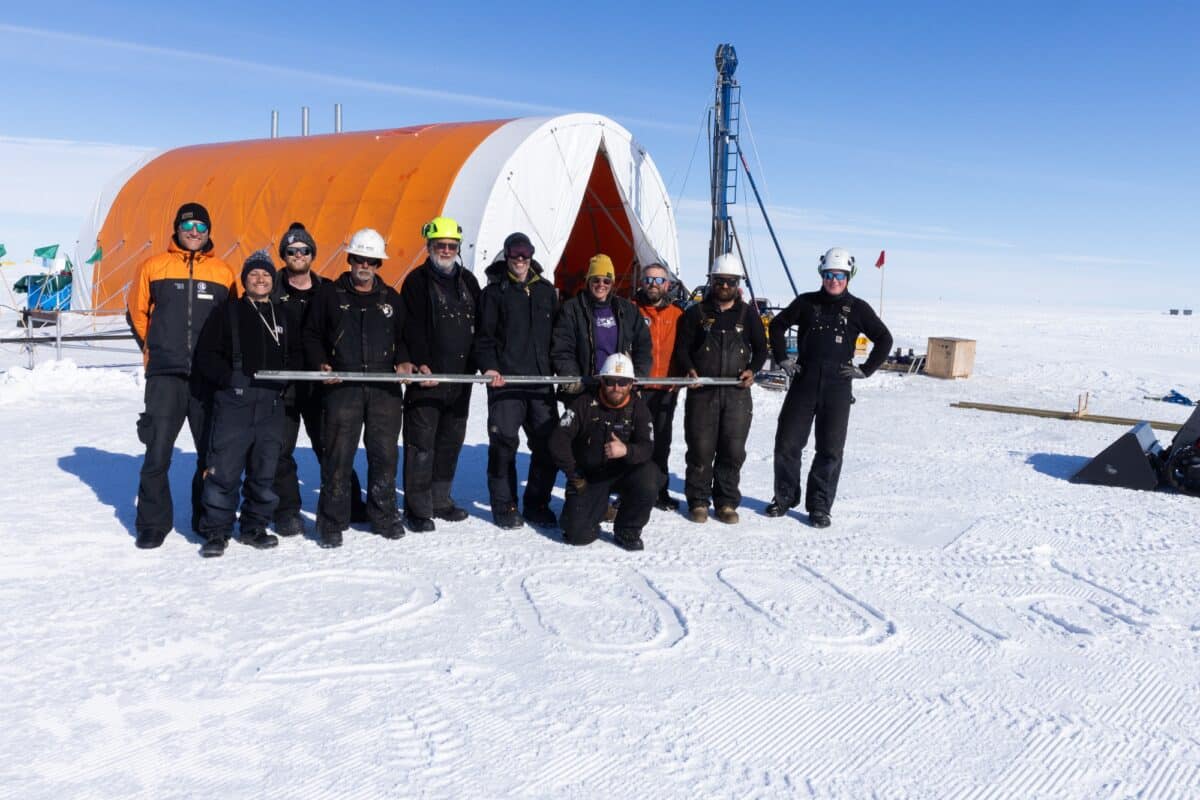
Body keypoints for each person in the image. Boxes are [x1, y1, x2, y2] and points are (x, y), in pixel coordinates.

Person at [126, 202, 237, 549]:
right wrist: (158, 346)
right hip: (165, 376)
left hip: (206, 378)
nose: (194, 232)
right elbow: (137, 313)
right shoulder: (154, 266)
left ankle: (207, 519)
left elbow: (231, 322)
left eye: (201, 227)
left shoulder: (223, 272)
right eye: (188, 226)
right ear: (175, 229)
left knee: (210, 452)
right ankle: (152, 523)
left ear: (209, 232)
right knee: (157, 452)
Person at [766, 247, 893, 528]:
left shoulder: (858, 308)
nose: (834, 280)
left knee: (830, 449)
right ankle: (784, 498)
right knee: (787, 443)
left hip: (837, 388)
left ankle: (820, 507)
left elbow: (884, 338)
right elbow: (776, 325)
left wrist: (866, 369)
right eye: (829, 275)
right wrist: (783, 359)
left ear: (849, 276)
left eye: (840, 275)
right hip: (804, 383)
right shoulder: (806, 302)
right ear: (822, 274)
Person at [303, 228, 411, 548]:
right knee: (338, 456)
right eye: (359, 259)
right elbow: (310, 334)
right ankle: (332, 521)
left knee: (384, 455)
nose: (365, 266)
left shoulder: (391, 298)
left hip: (383, 388)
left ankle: (384, 516)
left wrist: (404, 360)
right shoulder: (329, 295)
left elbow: (405, 337)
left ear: (379, 264)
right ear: (350, 259)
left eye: (372, 261)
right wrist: (322, 363)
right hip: (343, 385)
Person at [193, 250, 300, 557]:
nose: (260, 279)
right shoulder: (228, 312)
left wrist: (287, 380)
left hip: (270, 403)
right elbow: (206, 356)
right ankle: (216, 530)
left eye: (266, 274)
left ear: (273, 280)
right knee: (223, 470)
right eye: (254, 274)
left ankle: (255, 526)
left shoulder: (283, 316)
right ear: (244, 280)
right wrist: (228, 379)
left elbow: (296, 354)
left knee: (263, 470)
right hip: (235, 402)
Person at [270, 222, 366, 538]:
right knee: (280, 449)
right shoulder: (271, 290)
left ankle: (348, 502)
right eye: (292, 250)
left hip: (319, 384)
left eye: (304, 250)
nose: (298, 254)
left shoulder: (327, 291)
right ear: (284, 255)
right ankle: (286, 511)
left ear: (313, 254)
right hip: (281, 386)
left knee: (331, 446)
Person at [398, 216, 482, 532]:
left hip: (459, 380)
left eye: (451, 246)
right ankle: (417, 508)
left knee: (450, 441)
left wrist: (481, 365)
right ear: (429, 247)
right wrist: (419, 363)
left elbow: (481, 328)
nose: (445, 250)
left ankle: (440, 500)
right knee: (421, 443)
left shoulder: (469, 282)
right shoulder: (416, 281)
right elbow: (409, 328)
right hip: (427, 378)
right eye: (440, 246)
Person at [673, 253, 768, 524]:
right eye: (719, 281)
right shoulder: (696, 314)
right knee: (701, 449)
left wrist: (753, 369)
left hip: (736, 394)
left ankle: (726, 502)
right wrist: (690, 369)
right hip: (702, 392)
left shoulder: (748, 314)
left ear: (738, 284)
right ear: (711, 281)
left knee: (732, 450)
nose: (724, 286)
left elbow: (761, 349)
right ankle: (699, 501)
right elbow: (682, 348)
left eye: (729, 281)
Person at [475, 232, 560, 529]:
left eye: (525, 254)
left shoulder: (546, 292)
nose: (520, 260)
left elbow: (558, 338)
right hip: (506, 383)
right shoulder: (494, 293)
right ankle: (504, 505)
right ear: (507, 255)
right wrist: (489, 367)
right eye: (515, 254)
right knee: (503, 444)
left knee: (548, 445)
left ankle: (537, 504)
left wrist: (560, 370)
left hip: (539, 384)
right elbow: (483, 338)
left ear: (532, 256)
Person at [548, 354, 662, 551]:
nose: (616, 387)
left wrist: (627, 450)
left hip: (624, 473)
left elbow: (647, 447)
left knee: (651, 476)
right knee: (576, 536)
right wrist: (573, 473)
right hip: (590, 477)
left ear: (631, 384)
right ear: (602, 381)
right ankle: (598, 509)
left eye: (623, 382)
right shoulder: (583, 404)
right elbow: (558, 440)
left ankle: (628, 529)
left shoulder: (639, 408)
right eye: (610, 381)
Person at [551, 253, 652, 399]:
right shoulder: (572, 309)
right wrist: (571, 377)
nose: (601, 285)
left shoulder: (627, 310)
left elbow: (643, 345)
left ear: (612, 283)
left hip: (617, 389)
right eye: (596, 280)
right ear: (588, 281)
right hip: (584, 388)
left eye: (606, 281)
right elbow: (562, 348)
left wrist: (635, 377)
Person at [634, 262, 685, 511]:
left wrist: (682, 375)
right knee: (635, 441)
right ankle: (629, 491)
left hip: (665, 389)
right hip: (637, 389)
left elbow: (685, 350)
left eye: (659, 281)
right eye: (649, 280)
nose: (653, 285)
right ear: (641, 282)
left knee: (661, 443)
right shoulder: (631, 310)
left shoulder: (677, 315)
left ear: (667, 284)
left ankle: (660, 491)